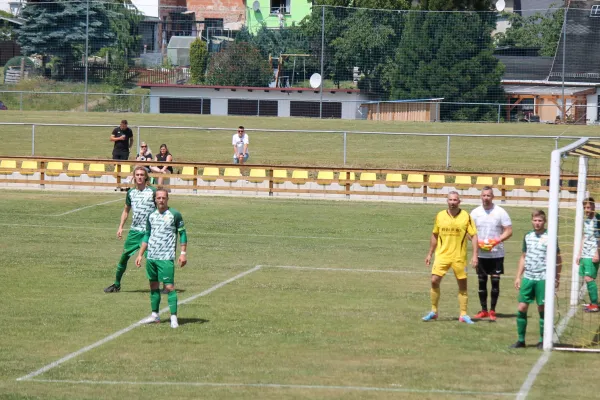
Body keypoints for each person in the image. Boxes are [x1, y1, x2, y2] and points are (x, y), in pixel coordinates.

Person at [423, 191, 479, 324]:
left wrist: (475, 254)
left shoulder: (466, 216)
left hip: (459, 257)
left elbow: (474, 235)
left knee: (462, 285)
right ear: (447, 201)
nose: (453, 202)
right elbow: (435, 234)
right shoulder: (440, 216)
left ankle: (463, 314)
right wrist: (430, 253)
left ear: (459, 202)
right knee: (434, 281)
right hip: (442, 256)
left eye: (455, 200)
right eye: (450, 200)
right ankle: (434, 311)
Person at [136, 188, 187, 328]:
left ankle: (174, 318)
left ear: (167, 199)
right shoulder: (151, 215)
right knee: (153, 286)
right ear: (155, 199)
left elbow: (182, 234)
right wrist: (140, 254)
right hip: (151, 256)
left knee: (169, 287)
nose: (161, 200)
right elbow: (147, 235)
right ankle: (155, 315)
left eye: (163, 198)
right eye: (158, 198)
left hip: (166, 257)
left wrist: (183, 253)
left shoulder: (175, 214)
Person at [511, 210, 562, 349]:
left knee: (542, 308)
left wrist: (557, 277)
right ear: (532, 220)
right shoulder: (528, 236)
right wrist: (518, 276)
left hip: (543, 278)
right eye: (535, 220)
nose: (537, 223)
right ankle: (521, 340)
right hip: (528, 277)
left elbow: (558, 258)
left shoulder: (550, 237)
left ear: (544, 221)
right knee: (522, 307)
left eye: (540, 220)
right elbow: (523, 256)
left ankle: (542, 340)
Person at [104, 166, 156, 293]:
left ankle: (162, 286)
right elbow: (126, 210)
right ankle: (116, 284)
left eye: (141, 175)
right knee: (124, 257)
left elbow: (161, 209)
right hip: (134, 232)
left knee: (153, 260)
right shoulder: (130, 193)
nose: (139, 177)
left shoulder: (153, 192)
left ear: (146, 177)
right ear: (134, 176)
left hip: (149, 232)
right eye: (137, 174)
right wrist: (121, 227)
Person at [470, 186, 513, 321]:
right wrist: (478, 243)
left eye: (488, 196)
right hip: (481, 254)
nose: (486, 198)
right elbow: (468, 232)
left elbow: (509, 230)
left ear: (492, 197)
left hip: (496, 254)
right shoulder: (475, 213)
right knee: (481, 282)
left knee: (495, 282)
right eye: (484, 195)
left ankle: (493, 311)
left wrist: (496, 240)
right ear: (480, 197)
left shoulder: (500, 212)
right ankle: (483, 310)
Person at [576, 197, 600, 312]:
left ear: (594, 207)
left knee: (589, 278)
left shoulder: (598, 220)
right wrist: (579, 253)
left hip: (593, 253)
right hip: (585, 253)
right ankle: (592, 302)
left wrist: (597, 253)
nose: (586, 209)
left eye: (588, 207)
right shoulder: (586, 221)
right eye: (585, 207)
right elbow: (584, 237)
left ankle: (595, 305)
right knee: (586, 278)